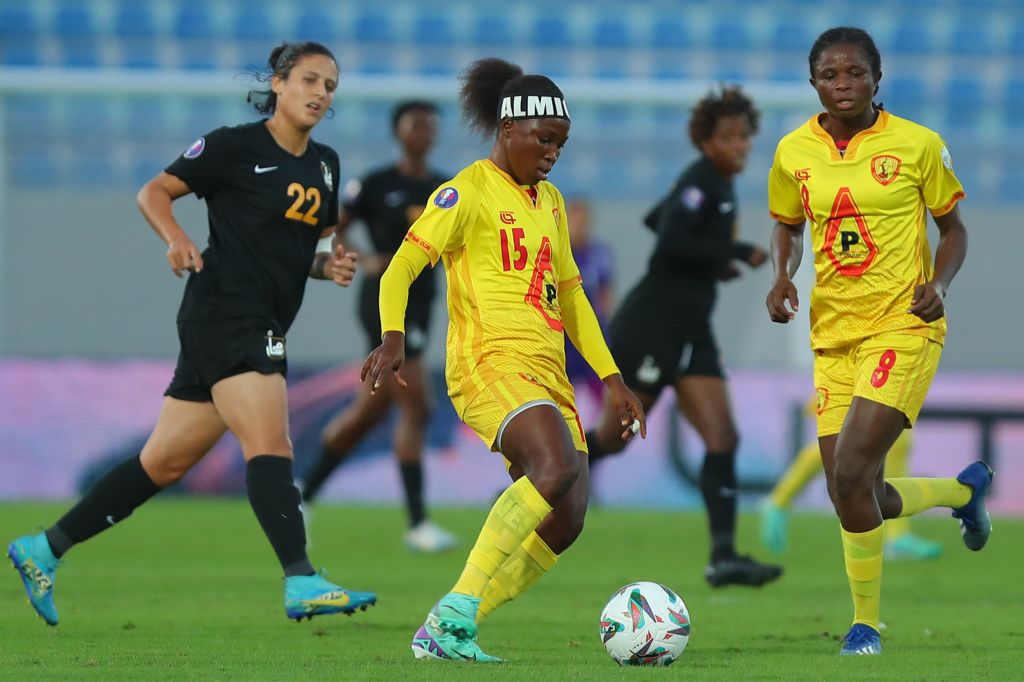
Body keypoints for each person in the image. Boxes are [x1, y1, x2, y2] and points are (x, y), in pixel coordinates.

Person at [7, 41, 377, 626]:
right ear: (278, 84)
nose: (319, 93)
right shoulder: (233, 145)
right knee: (271, 444)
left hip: (253, 317)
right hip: (227, 310)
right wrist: (176, 239)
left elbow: (315, 247)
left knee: (163, 464)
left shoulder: (325, 163)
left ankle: (43, 549)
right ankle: (301, 578)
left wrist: (327, 265)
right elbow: (152, 191)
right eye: (309, 80)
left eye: (329, 86)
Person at [363, 58, 647, 662]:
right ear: (507, 130)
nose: (551, 154)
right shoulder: (465, 190)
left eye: (560, 145)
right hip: (487, 360)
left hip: (546, 371)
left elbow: (570, 295)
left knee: (567, 517)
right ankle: (457, 608)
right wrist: (392, 336)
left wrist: (612, 378)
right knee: (553, 463)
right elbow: (401, 267)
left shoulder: (551, 202)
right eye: (544, 140)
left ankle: (452, 627)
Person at [765, 27, 993, 656]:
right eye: (831, 76)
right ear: (813, 82)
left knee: (853, 470)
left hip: (902, 321)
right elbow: (785, 223)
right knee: (853, 491)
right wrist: (780, 274)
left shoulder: (918, 144)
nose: (844, 86)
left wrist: (940, 284)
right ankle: (963, 492)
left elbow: (954, 231)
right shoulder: (791, 152)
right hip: (831, 331)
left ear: (877, 77)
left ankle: (865, 625)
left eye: (856, 74)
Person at [583, 86, 783, 589]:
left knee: (723, 438)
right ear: (705, 141)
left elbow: (660, 219)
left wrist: (714, 263)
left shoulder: (715, 184)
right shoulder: (702, 180)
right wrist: (735, 250)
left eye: (744, 137)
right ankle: (532, 478)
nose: (740, 146)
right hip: (654, 324)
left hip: (693, 330)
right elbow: (670, 236)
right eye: (729, 138)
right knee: (614, 439)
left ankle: (723, 558)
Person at [299, 100, 457, 554]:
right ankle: (417, 523)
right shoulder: (374, 184)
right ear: (398, 131)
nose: (424, 131)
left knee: (368, 413)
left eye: (431, 124)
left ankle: (303, 494)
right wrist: (365, 261)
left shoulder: (443, 187)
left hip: (423, 300)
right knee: (417, 407)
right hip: (386, 304)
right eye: (415, 123)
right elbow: (335, 228)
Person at [760, 400, 943, 560]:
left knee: (893, 438)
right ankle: (779, 500)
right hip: (851, 366)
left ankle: (897, 534)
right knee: (846, 440)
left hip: (875, 365)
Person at [562, 198, 616, 406]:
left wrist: (606, 330)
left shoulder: (600, 254)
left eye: (584, 221)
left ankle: (609, 432)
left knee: (603, 392)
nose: (580, 226)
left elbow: (606, 294)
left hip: (590, 334)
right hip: (563, 336)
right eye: (575, 221)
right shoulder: (557, 252)